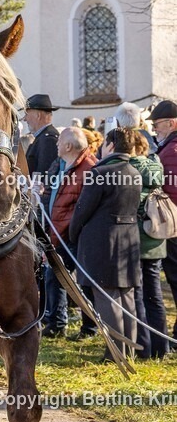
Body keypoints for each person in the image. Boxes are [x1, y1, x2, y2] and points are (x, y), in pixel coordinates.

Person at [69, 127, 142, 360]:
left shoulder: (100, 173)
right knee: (126, 297)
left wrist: (73, 233)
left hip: (103, 242)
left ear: (110, 145)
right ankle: (127, 350)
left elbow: (82, 210)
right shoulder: (134, 171)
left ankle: (115, 353)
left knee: (106, 298)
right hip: (128, 239)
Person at [40, 127, 97, 337]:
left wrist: (61, 232)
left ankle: (89, 327)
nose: (56, 144)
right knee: (55, 277)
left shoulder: (89, 169)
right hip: (59, 232)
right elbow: (54, 195)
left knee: (83, 282)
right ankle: (56, 324)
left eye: (59, 141)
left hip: (75, 236)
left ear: (68, 146)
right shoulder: (62, 165)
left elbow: (82, 208)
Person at [129, 131, 168, 359]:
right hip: (155, 239)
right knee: (154, 295)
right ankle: (161, 347)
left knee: (138, 294)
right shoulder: (157, 166)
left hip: (136, 239)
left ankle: (144, 347)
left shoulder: (131, 170)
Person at [148, 99, 177, 336]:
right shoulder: (169, 147)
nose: (154, 128)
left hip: (173, 226)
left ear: (171, 123)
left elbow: (172, 191)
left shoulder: (172, 150)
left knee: (175, 279)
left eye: (157, 124)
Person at [24, 94, 60, 181]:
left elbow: (45, 176)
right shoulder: (42, 137)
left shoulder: (48, 139)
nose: (25, 119)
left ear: (38, 115)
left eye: (26, 114)